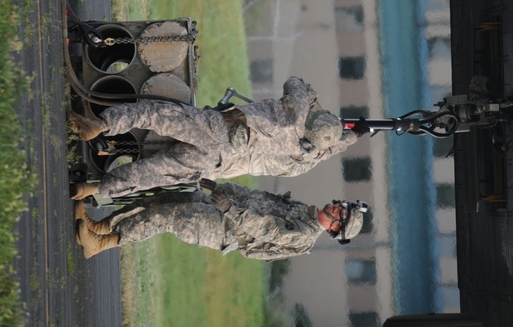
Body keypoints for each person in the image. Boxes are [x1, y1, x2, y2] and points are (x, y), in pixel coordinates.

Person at [68, 76, 367, 202]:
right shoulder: (301, 160)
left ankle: (100, 125)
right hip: (217, 164)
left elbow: (296, 83)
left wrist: (315, 102)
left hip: (218, 130)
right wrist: (353, 136)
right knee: (150, 174)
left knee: (157, 114)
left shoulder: (298, 110)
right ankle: (91, 189)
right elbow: (321, 153)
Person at [74, 181, 367, 260]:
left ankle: (101, 244)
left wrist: (230, 209)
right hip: (223, 209)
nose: (337, 206)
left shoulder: (304, 235)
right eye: (342, 205)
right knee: (162, 199)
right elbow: (259, 198)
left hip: (224, 228)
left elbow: (263, 228)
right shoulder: (304, 212)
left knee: (164, 217)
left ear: (335, 228)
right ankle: (101, 226)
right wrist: (221, 188)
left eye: (341, 213)